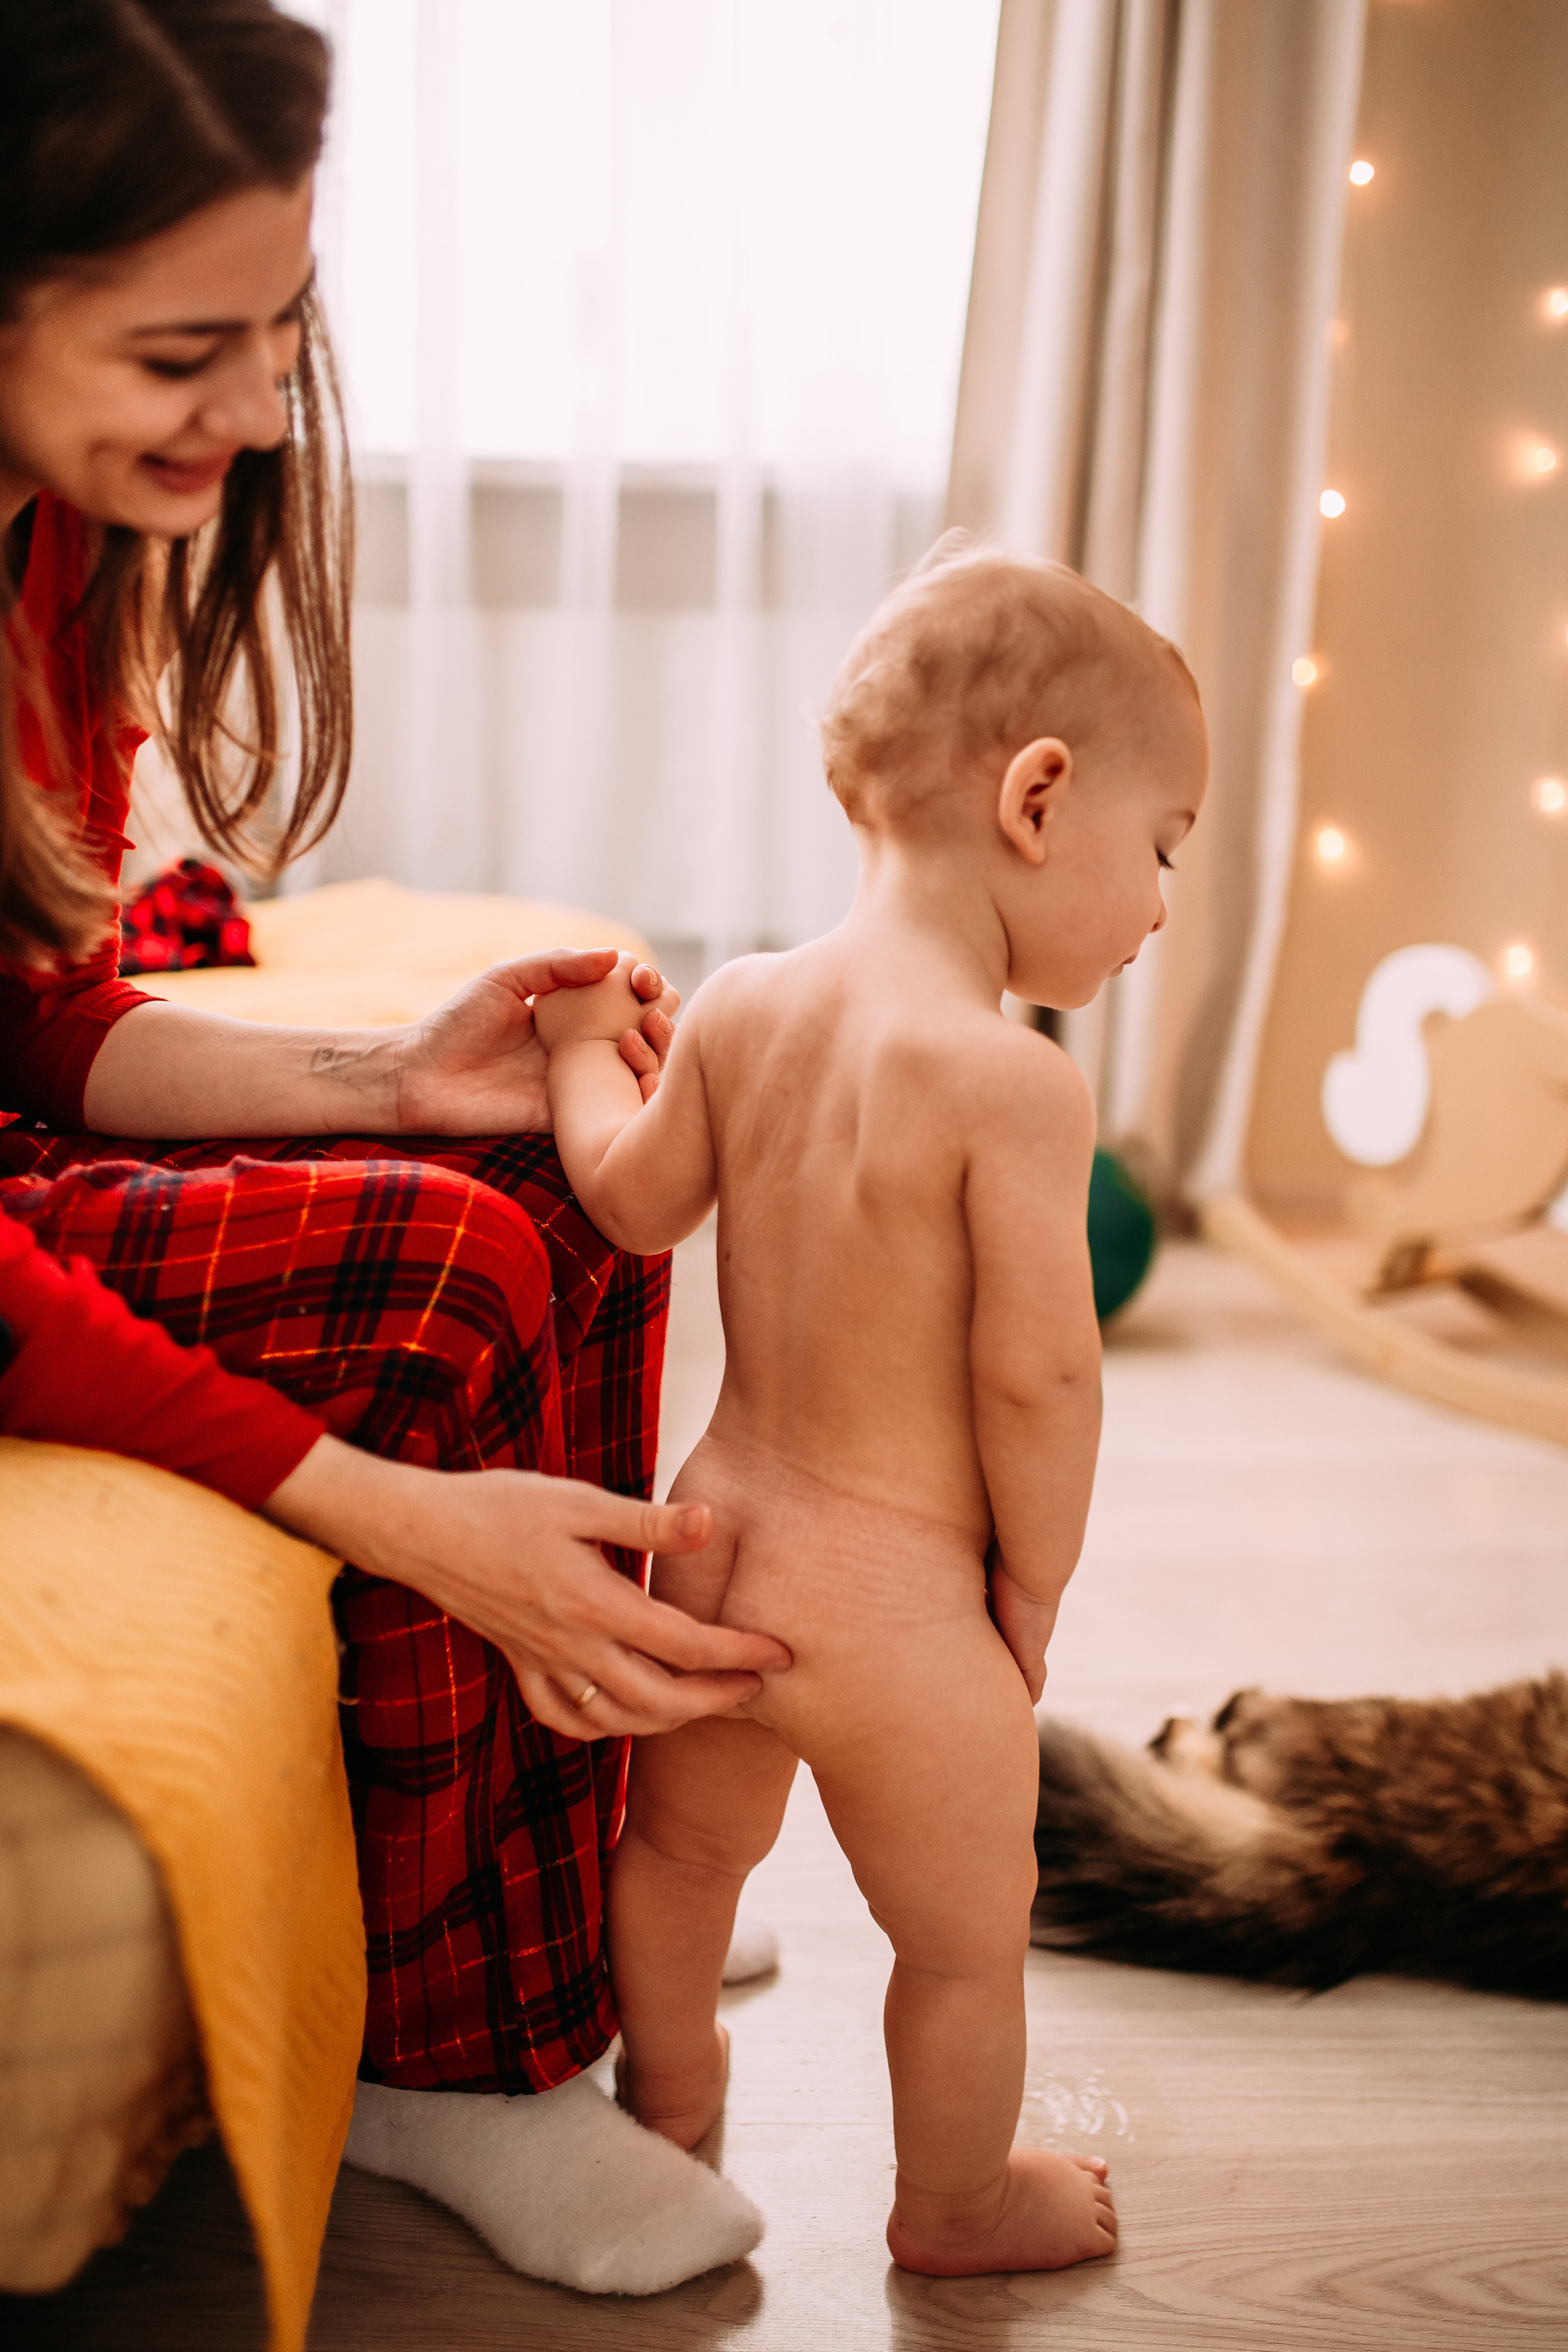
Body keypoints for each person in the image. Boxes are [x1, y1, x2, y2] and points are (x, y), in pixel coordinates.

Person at [0, 0, 788, 2301]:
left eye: (278, 333)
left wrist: (393, 1075)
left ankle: (558, 1884)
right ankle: (457, 2061)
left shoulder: (56, 543)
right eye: (183, 355)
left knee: (561, 1150)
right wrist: (394, 1513)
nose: (258, 414)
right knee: (447, 1282)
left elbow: (34, 1012)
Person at [534, 545, 1208, 2275]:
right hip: (902, 1611)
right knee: (967, 1941)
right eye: (1161, 849)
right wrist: (1031, 1586)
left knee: (681, 1860)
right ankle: (956, 2205)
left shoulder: (745, 1004)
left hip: (716, 1547)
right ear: (1037, 801)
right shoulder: (1012, 1083)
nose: (1159, 907)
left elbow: (628, 1200)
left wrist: (578, 1051)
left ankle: (670, 2103)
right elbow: (1038, 1377)